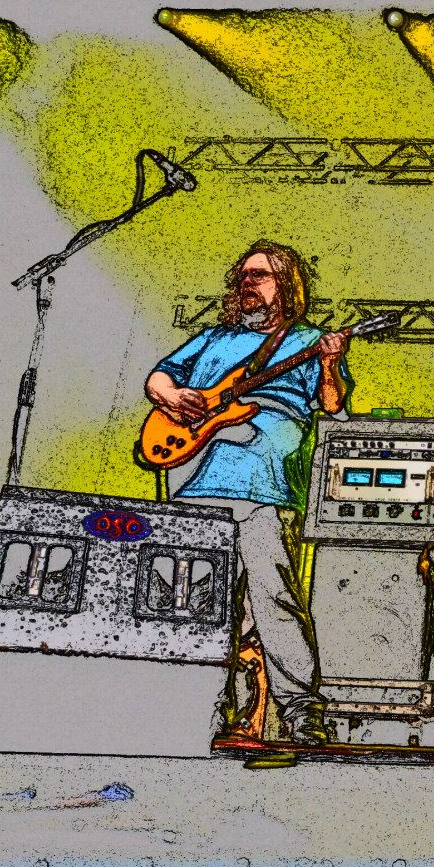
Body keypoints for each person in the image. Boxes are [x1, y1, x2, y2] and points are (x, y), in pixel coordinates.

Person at [145, 241, 351, 742]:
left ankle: (300, 711)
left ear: (286, 285)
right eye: (243, 275)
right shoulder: (213, 338)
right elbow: (159, 379)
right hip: (195, 480)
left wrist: (329, 363)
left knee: (275, 600)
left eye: (259, 275)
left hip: (264, 484)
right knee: (192, 600)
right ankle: (194, 705)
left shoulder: (308, 340)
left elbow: (332, 405)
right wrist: (173, 397)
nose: (247, 283)